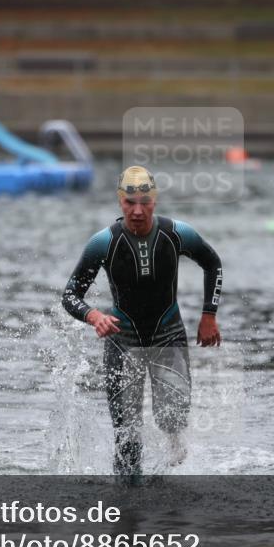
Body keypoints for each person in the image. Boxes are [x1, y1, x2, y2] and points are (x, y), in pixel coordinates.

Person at [62, 166, 223, 479]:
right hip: (123, 341)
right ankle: (127, 517)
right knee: (127, 441)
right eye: (129, 203)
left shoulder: (176, 233)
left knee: (173, 418)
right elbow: (70, 295)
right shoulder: (102, 243)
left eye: (145, 203)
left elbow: (212, 263)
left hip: (169, 335)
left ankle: (166, 507)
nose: (137, 211)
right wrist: (93, 315)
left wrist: (208, 315)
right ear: (120, 202)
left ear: (155, 201)